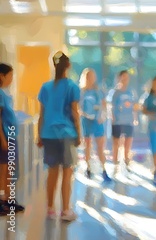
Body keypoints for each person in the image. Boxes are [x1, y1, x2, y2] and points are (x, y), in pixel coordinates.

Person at [37, 52, 81, 221]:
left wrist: (39, 135)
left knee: (52, 172)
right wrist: (79, 134)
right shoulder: (72, 86)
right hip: (66, 134)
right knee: (67, 173)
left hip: (48, 134)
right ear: (68, 66)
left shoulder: (45, 87)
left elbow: (42, 114)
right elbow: (74, 113)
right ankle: (65, 210)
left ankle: (50, 209)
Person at [0, 63, 25, 216]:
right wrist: (2, 140)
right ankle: (3, 200)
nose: (11, 79)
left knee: (9, 170)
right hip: (5, 137)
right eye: (10, 76)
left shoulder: (5, 93)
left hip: (10, 136)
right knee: (4, 170)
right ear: (2, 76)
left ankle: (9, 200)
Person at [79, 68, 111, 182]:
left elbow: (104, 105)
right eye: (88, 77)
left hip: (97, 121)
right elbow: (77, 107)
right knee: (87, 145)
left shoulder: (98, 91)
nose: (91, 79)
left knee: (100, 147)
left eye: (92, 76)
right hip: (86, 121)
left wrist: (102, 115)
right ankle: (88, 168)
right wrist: (84, 113)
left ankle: (103, 170)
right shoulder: (81, 92)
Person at [108, 70, 137, 174]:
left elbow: (134, 106)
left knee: (128, 142)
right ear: (119, 78)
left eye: (127, 77)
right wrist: (112, 117)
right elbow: (111, 106)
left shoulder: (131, 91)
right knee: (116, 143)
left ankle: (126, 161)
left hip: (128, 120)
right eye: (123, 77)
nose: (125, 79)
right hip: (117, 121)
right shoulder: (115, 92)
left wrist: (135, 117)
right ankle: (115, 163)